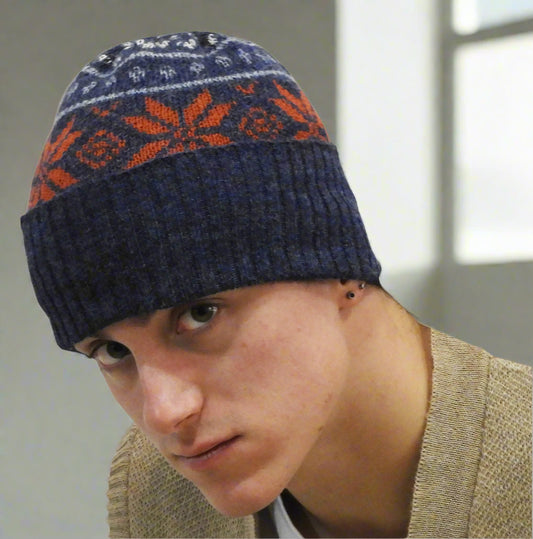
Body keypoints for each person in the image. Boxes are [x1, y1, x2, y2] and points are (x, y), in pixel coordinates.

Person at [21, 32, 531, 539]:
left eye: (199, 313)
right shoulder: (157, 492)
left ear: (338, 267)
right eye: (112, 351)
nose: (164, 414)